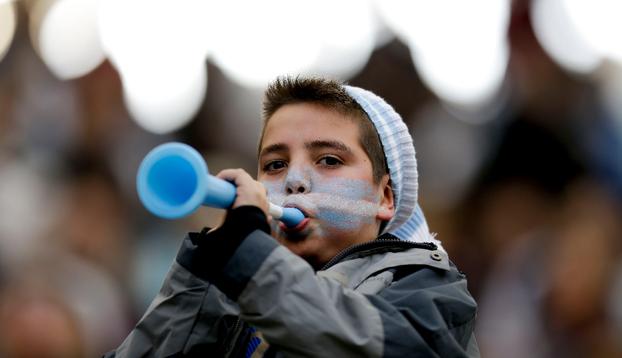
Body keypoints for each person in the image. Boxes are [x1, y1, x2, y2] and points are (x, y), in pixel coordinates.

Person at [107, 77, 479, 357]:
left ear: (385, 197)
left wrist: (251, 261)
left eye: (329, 160)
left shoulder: (432, 291)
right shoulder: (238, 295)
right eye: (275, 164)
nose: (294, 180)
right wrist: (203, 273)